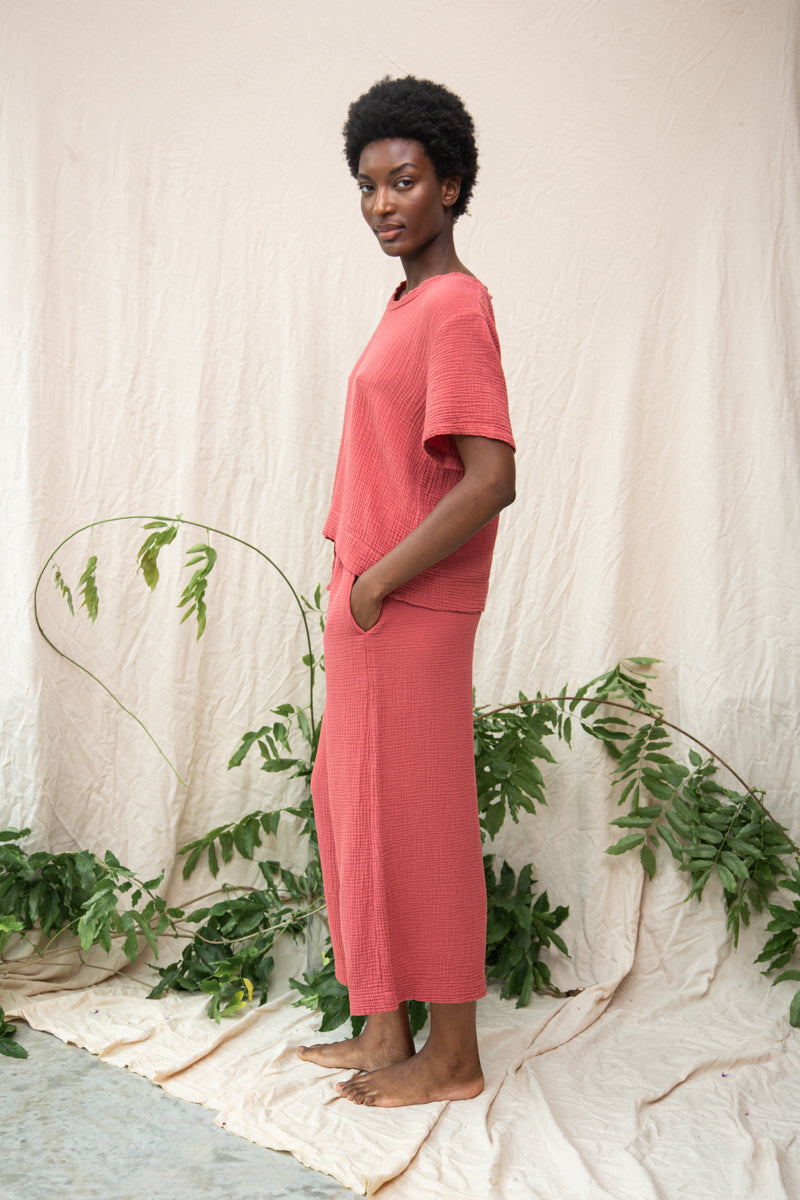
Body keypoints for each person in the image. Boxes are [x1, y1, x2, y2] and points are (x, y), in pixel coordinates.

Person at [297, 75, 516, 1108]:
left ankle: (454, 1056)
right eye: (368, 185)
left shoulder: (457, 306)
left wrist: (378, 580)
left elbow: (490, 477)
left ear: (451, 184)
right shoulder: (406, 304)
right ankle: (383, 1027)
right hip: (369, 606)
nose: (382, 203)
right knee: (352, 808)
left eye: (405, 180)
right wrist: (354, 582)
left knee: (420, 822)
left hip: (409, 608)